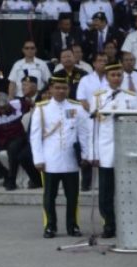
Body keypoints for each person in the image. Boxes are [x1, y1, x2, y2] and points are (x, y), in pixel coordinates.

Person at [30, 72, 92, 238]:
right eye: (57, 88)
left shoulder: (76, 107)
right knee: (49, 196)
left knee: (73, 197)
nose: (61, 91)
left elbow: (83, 133)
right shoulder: (42, 108)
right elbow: (35, 136)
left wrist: (85, 155)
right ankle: (50, 226)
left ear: (68, 89)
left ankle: (73, 226)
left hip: (71, 159)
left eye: (64, 88)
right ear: (50, 89)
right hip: (50, 159)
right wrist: (38, 159)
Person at [89, 61, 137, 237]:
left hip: (126, 148)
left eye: (119, 75)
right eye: (113, 75)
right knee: (106, 191)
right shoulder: (98, 98)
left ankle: (129, 223)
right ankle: (109, 224)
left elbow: (136, 124)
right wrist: (92, 153)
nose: (116, 78)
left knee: (128, 189)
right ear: (107, 77)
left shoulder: (131, 97)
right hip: (106, 149)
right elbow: (92, 128)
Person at [0, 87, 36, 190]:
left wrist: (33, 105)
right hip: (0, 138)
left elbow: (32, 104)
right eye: (0, 108)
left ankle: (12, 179)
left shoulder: (18, 104)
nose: (3, 110)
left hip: (17, 136)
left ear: (9, 103)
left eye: (5, 107)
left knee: (13, 150)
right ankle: (5, 175)